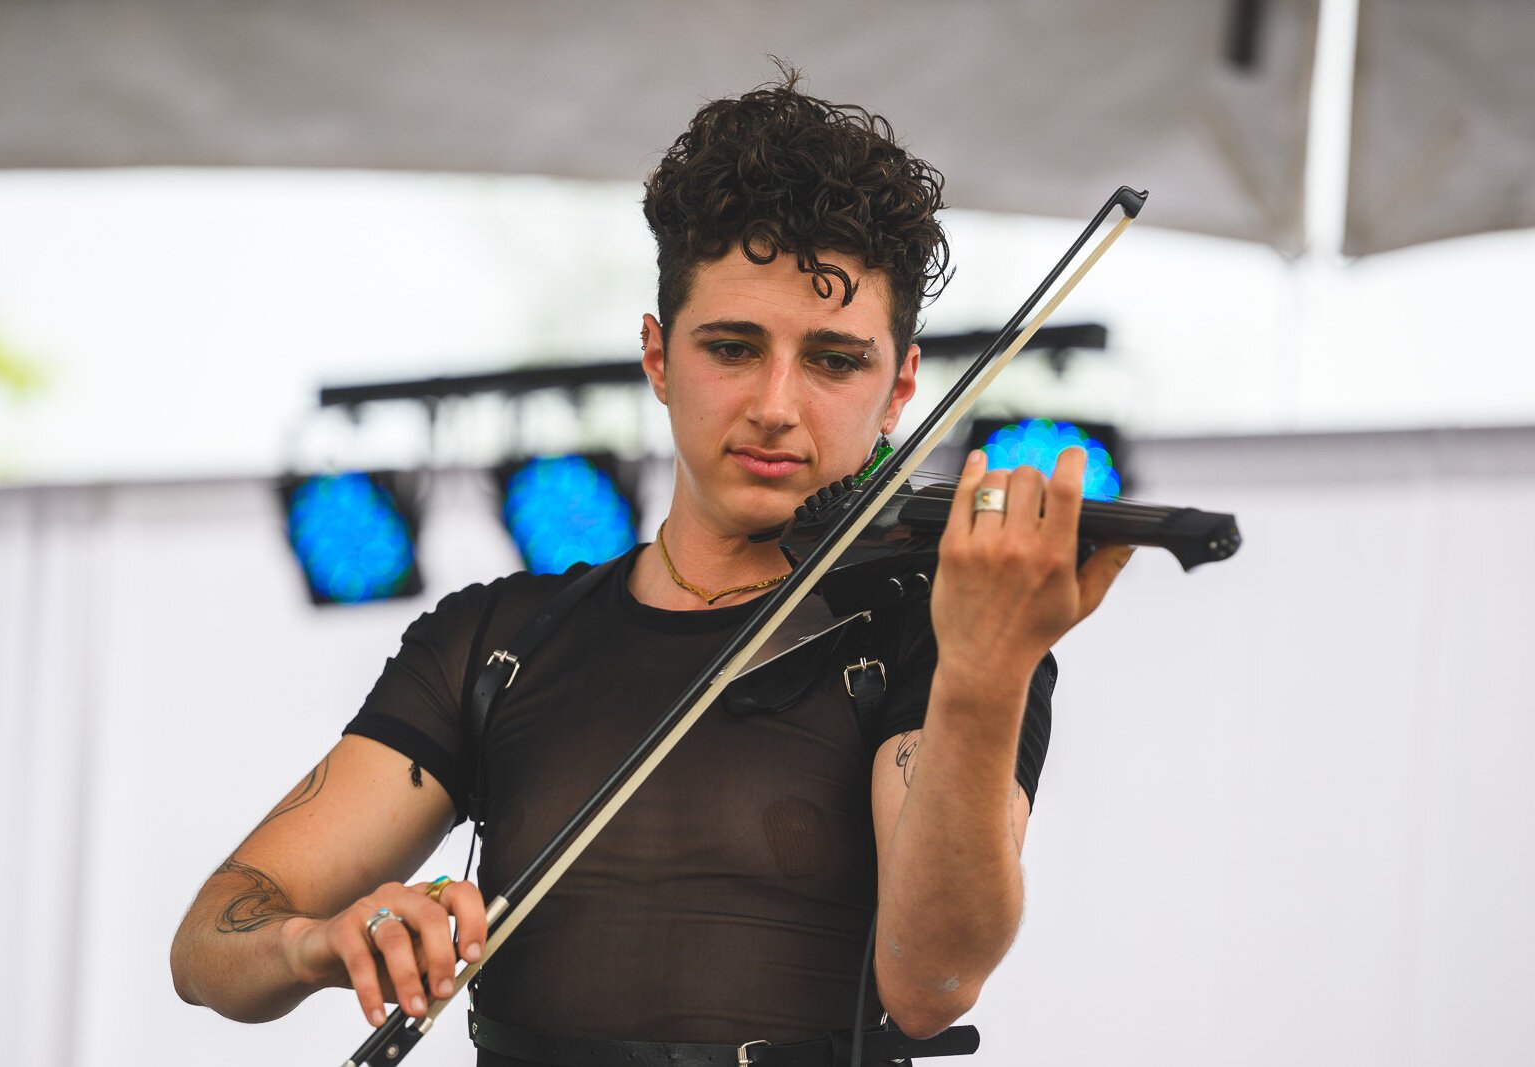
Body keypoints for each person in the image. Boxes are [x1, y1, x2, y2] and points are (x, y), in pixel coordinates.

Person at [170, 70, 1132, 1065]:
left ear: (899, 389)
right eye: (733, 347)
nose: (775, 404)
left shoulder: (938, 633)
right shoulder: (496, 641)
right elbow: (209, 944)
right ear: (658, 357)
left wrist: (985, 670)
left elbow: (932, 982)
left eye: (833, 359)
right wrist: (317, 939)